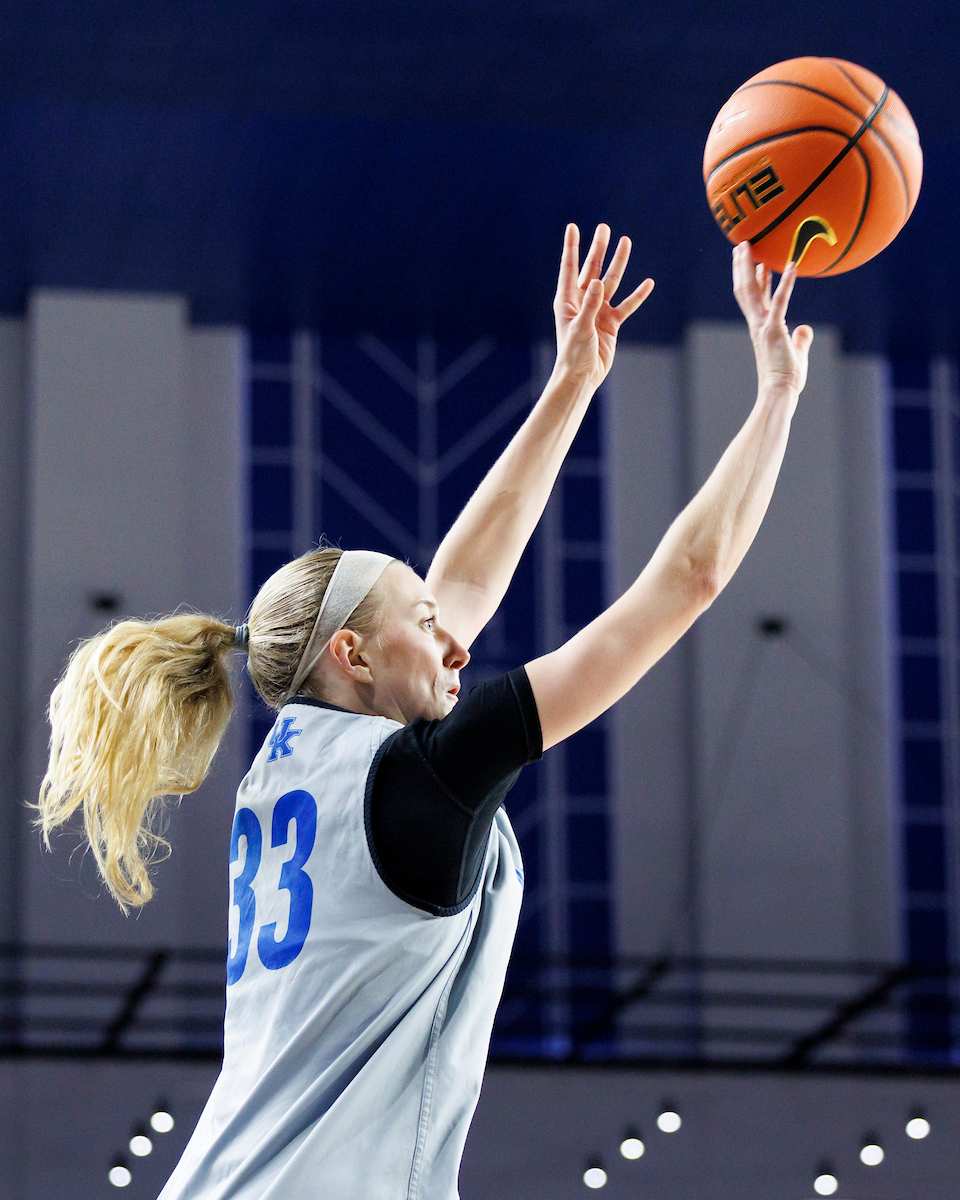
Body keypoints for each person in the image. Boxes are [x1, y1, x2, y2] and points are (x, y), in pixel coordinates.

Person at [38, 227, 811, 1199]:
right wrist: (777, 398)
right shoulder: (423, 778)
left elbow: (463, 581)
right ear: (352, 656)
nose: (456, 644)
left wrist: (574, 378)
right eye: (424, 624)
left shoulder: (298, 760)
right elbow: (688, 579)